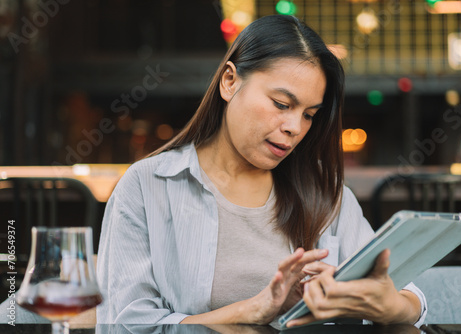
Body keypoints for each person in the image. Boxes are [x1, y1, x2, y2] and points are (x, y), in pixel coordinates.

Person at [96, 15, 427, 327]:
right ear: (229, 82)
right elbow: (125, 326)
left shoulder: (324, 193)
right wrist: (256, 309)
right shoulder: (147, 186)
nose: (295, 127)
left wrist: (393, 308)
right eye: (282, 104)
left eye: (309, 114)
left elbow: (408, 294)